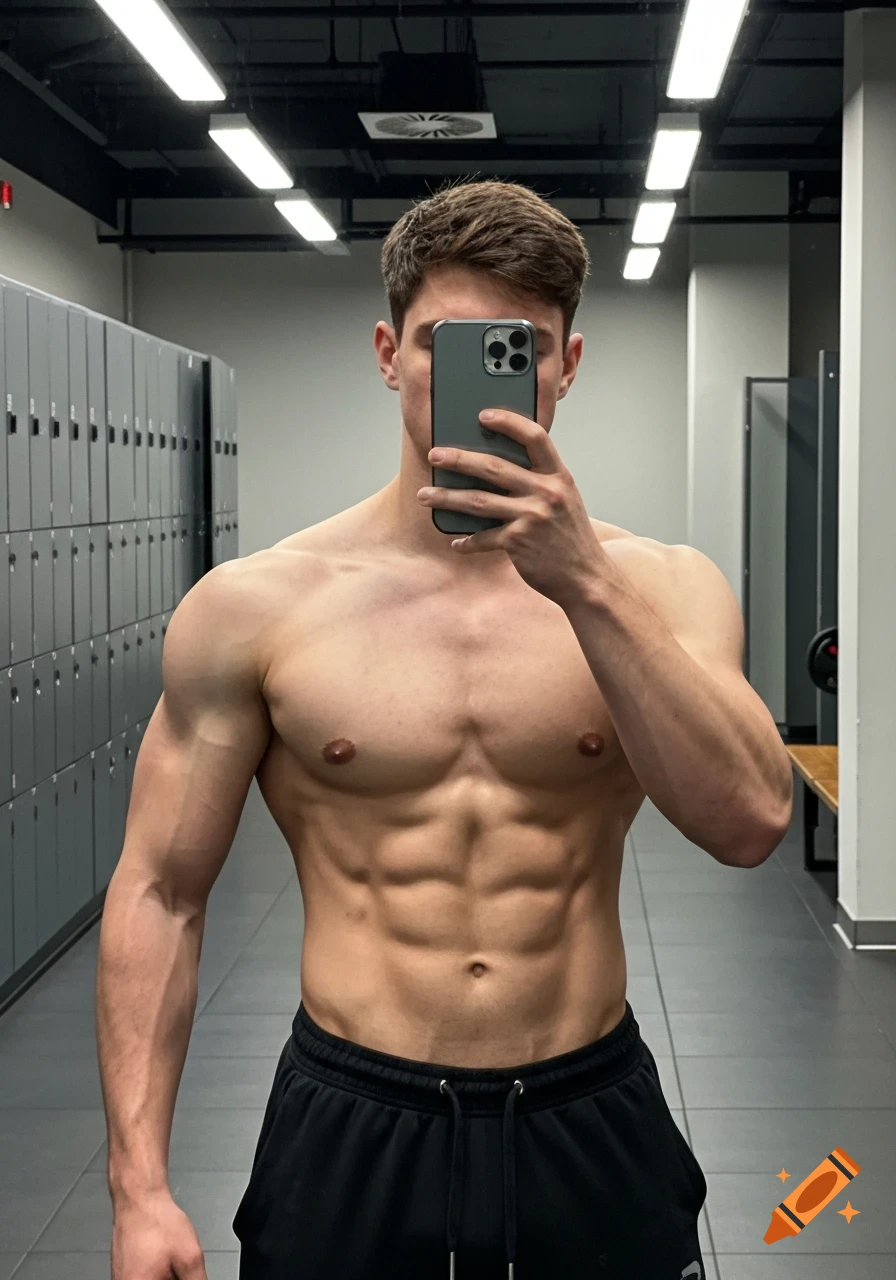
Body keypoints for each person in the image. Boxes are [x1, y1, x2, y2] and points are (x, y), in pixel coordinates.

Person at [97, 179, 794, 1280]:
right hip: (351, 1117)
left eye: (520, 348)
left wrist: (586, 587)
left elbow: (750, 820)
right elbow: (159, 892)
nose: (477, 378)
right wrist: (139, 1190)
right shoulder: (258, 606)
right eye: (441, 344)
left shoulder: (661, 588)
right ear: (389, 353)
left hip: (586, 1108)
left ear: (567, 363)